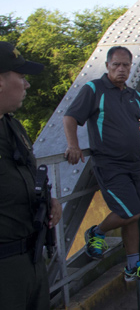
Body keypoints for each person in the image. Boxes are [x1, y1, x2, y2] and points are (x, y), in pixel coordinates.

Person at [63, 46, 140, 282]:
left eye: (125, 65)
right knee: (129, 211)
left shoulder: (130, 94)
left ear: (130, 67)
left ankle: (132, 266)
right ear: (107, 66)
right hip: (110, 164)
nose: (121, 69)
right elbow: (70, 116)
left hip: (135, 164)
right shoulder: (94, 89)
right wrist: (73, 145)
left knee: (134, 216)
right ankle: (96, 232)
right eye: (116, 65)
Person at [0, 41, 62, 309]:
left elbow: (27, 177)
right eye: (22, 77)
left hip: (32, 261)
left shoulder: (13, 126)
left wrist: (49, 201)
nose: (27, 85)